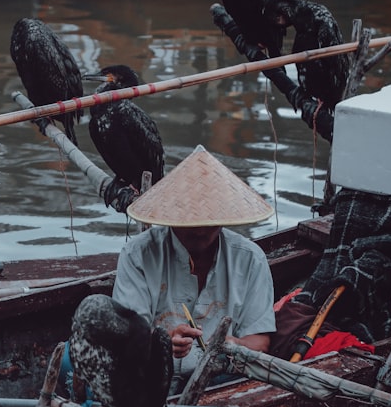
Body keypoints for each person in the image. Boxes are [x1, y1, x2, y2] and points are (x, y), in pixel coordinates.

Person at [112, 145, 276, 394]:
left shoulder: (250, 259)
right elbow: (126, 339)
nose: (199, 230)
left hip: (222, 381)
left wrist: (234, 345)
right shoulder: (138, 255)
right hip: (149, 378)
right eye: (191, 223)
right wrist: (163, 342)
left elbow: (259, 341)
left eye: (207, 223)